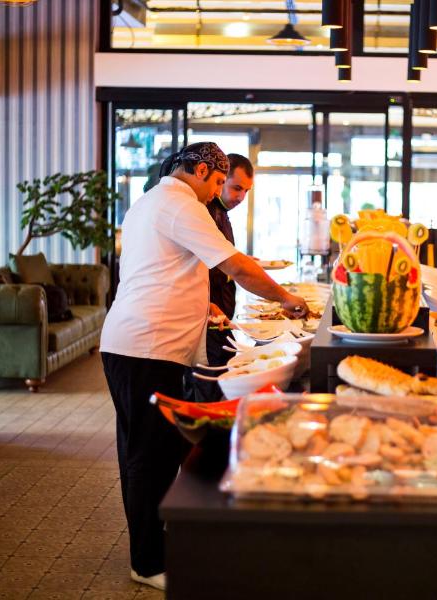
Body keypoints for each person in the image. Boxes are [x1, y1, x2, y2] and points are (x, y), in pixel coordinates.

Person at [99, 142, 308, 591]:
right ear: (198, 171)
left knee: (147, 450)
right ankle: (147, 562)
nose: (217, 192)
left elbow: (160, 270)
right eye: (216, 181)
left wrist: (202, 305)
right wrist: (285, 298)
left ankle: (154, 543)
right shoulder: (182, 205)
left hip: (137, 344)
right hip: (146, 347)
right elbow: (237, 267)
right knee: (150, 457)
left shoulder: (152, 201)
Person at [184, 153, 255, 402]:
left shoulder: (222, 212)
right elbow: (210, 264)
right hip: (204, 316)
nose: (241, 197)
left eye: (246, 191)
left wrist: (243, 260)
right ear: (220, 180)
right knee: (207, 387)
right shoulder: (202, 211)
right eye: (236, 188)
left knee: (221, 380)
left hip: (220, 315)